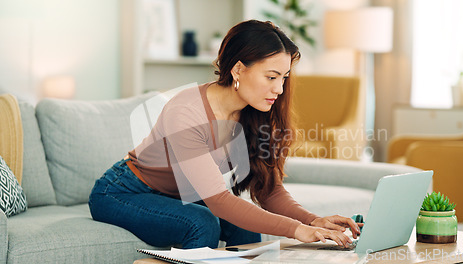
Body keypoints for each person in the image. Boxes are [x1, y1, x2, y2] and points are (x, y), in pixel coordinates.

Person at [88, 20, 362, 249]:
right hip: (123, 191)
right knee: (201, 221)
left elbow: (269, 190)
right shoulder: (186, 112)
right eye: (271, 77)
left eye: (284, 77)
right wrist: (296, 230)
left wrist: (312, 221)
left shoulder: (255, 113)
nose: (279, 89)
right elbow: (218, 201)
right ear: (238, 69)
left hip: (179, 195)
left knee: (244, 226)